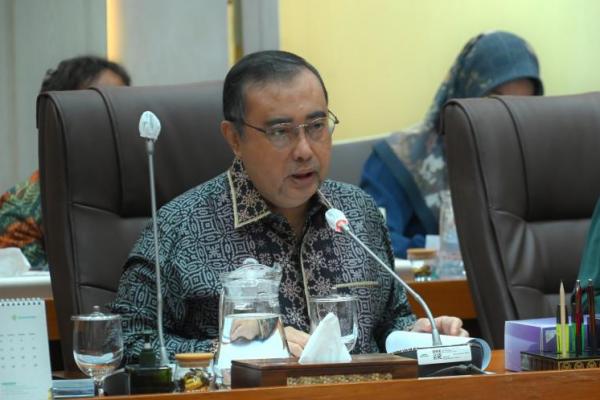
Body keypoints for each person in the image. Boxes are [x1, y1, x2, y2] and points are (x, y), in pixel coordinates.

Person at [111, 50, 467, 364]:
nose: (304, 150)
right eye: (281, 131)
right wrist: (233, 350)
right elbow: (128, 344)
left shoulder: (358, 213)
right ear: (234, 138)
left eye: (317, 126)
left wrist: (416, 334)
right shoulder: (178, 230)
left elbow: (390, 321)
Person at [360, 31, 544, 258]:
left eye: (519, 105)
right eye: (494, 100)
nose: (505, 115)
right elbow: (371, 242)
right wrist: (448, 248)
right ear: (466, 93)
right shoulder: (400, 158)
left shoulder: (529, 159)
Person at [0, 56, 131, 268]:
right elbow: (34, 288)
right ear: (58, 118)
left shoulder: (147, 186)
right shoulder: (22, 209)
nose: (115, 118)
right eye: (98, 107)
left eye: (122, 104)